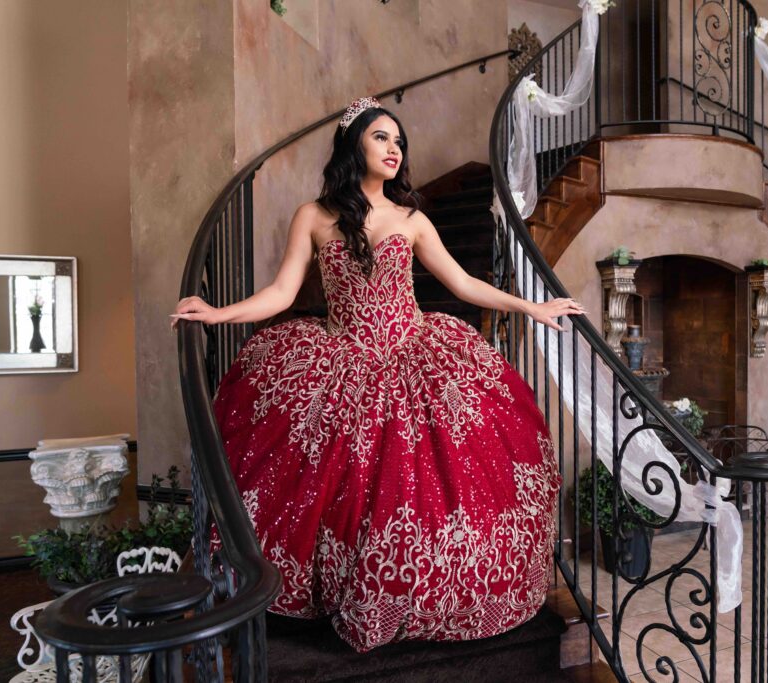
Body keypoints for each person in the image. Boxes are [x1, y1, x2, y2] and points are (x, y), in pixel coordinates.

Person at [171, 96, 584, 653]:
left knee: (435, 486)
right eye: (381, 138)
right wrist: (217, 313)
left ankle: (424, 596)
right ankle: (344, 590)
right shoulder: (313, 217)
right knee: (341, 486)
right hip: (343, 356)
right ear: (353, 145)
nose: (394, 150)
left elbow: (463, 285)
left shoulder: (411, 219)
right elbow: (282, 293)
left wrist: (533, 308)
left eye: (399, 142)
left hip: (415, 351)